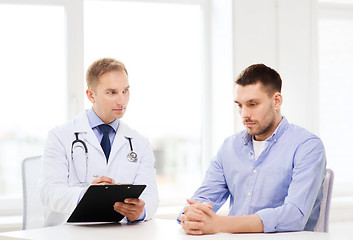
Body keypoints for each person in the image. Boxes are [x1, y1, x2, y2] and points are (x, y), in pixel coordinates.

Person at [178, 64, 326, 235]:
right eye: (239, 105)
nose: (244, 114)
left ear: (276, 101)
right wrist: (191, 215)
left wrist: (220, 224)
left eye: (252, 104)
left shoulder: (307, 146)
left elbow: (294, 216)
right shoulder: (229, 147)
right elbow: (203, 198)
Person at [39, 57, 158, 226]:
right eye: (112, 92)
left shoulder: (140, 143)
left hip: (120, 234)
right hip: (69, 233)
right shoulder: (60, 136)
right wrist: (86, 195)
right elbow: (48, 192)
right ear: (91, 95)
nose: (121, 101)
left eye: (125, 91)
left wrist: (141, 211)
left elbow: (151, 195)